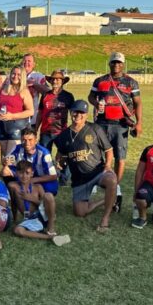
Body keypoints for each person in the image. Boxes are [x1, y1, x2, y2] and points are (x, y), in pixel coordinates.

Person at [88, 52, 142, 212]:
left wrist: (139, 123)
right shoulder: (100, 80)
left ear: (123, 64)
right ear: (109, 63)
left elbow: (138, 103)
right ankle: (95, 180)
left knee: (120, 156)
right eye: (113, 62)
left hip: (121, 124)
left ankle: (115, 185)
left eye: (119, 62)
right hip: (101, 122)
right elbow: (91, 96)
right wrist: (96, 104)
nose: (116, 65)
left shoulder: (131, 82)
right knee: (97, 153)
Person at [54, 100, 117, 234]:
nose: (78, 115)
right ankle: (108, 200)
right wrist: (59, 163)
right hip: (79, 180)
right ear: (71, 112)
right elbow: (61, 155)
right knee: (80, 213)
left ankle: (105, 218)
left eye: (82, 112)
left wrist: (108, 166)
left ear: (86, 115)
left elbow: (109, 150)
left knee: (112, 180)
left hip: (97, 172)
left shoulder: (95, 129)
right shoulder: (63, 135)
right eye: (75, 112)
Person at [1, 127, 59, 219]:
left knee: (49, 188)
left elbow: (53, 176)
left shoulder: (44, 152)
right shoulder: (17, 148)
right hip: (25, 176)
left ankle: (46, 207)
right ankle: (15, 204)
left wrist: (33, 180)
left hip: (41, 179)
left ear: (36, 140)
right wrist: (4, 163)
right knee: (6, 175)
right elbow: (7, 167)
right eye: (24, 140)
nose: (27, 143)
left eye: (30, 140)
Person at [12, 160, 70, 246]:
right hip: (30, 219)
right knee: (18, 230)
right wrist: (15, 219)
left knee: (48, 195)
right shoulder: (13, 186)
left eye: (27, 173)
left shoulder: (38, 187)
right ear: (16, 173)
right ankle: (50, 237)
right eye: (21, 173)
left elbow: (44, 204)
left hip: (42, 215)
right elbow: (13, 202)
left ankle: (51, 229)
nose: (24, 176)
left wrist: (31, 198)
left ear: (32, 174)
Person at [36, 70, 74, 184]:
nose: (55, 81)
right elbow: (40, 113)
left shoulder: (68, 96)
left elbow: (73, 113)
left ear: (62, 81)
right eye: (53, 79)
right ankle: (48, 177)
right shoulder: (45, 95)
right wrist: (36, 129)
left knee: (66, 155)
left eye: (58, 79)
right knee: (44, 156)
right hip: (46, 132)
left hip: (61, 131)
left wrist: (74, 129)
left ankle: (64, 178)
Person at [0, 65, 34, 163]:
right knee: (5, 158)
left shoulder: (24, 91)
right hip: (2, 127)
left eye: (19, 74)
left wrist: (12, 116)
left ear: (22, 76)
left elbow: (30, 111)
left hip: (16, 128)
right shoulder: (3, 89)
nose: (15, 76)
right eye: (13, 74)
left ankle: (13, 173)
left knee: (10, 158)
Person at [22, 52, 50, 123]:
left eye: (29, 61)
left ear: (34, 64)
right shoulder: (16, 75)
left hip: (32, 115)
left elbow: (48, 91)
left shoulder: (38, 76)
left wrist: (34, 84)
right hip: (17, 115)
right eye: (24, 61)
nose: (26, 63)